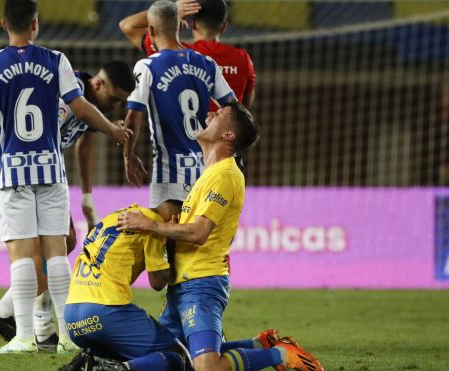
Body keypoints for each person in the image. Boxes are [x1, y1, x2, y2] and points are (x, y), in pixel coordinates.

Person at [0, 0, 132, 355]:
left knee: (25, 254)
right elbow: (79, 108)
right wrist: (111, 129)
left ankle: (25, 334)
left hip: (12, 165)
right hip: (49, 167)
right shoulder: (57, 61)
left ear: (3, 24)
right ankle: (61, 335)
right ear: (35, 24)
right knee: (57, 251)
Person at [118, 102, 324, 371]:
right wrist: (172, 227)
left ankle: (281, 355)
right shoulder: (209, 175)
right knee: (175, 358)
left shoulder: (226, 175)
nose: (210, 113)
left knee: (206, 368)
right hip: (182, 284)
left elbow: (199, 233)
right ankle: (259, 344)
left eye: (219, 114)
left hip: (201, 284)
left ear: (228, 136)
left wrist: (150, 225)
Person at [0, 61, 136, 352]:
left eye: (122, 102)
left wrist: (87, 196)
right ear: (99, 84)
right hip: (12, 164)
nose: (116, 106)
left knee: (65, 242)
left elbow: (85, 146)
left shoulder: (92, 105)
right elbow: (37, 137)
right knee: (40, 245)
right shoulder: (71, 94)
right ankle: (42, 330)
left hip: (43, 167)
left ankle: (4, 312)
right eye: (115, 99)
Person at [123, 0, 236, 212]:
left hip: (170, 175)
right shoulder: (207, 63)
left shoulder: (148, 65)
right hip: (207, 172)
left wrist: (128, 156)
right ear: (180, 26)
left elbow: (133, 117)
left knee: (164, 239)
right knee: (199, 239)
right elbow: (234, 109)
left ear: (151, 30)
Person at [60, 202, 192, 371]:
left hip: (72, 318)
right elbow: (158, 281)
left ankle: (90, 365)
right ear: (176, 219)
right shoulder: (151, 223)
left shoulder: (115, 216)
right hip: (106, 311)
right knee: (179, 358)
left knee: (132, 360)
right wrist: (171, 241)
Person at [119, 0, 255, 110]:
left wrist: (171, 11)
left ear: (193, 24)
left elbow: (127, 25)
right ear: (224, 26)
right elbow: (244, 108)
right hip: (226, 139)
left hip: (187, 139)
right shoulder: (243, 58)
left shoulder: (175, 53)